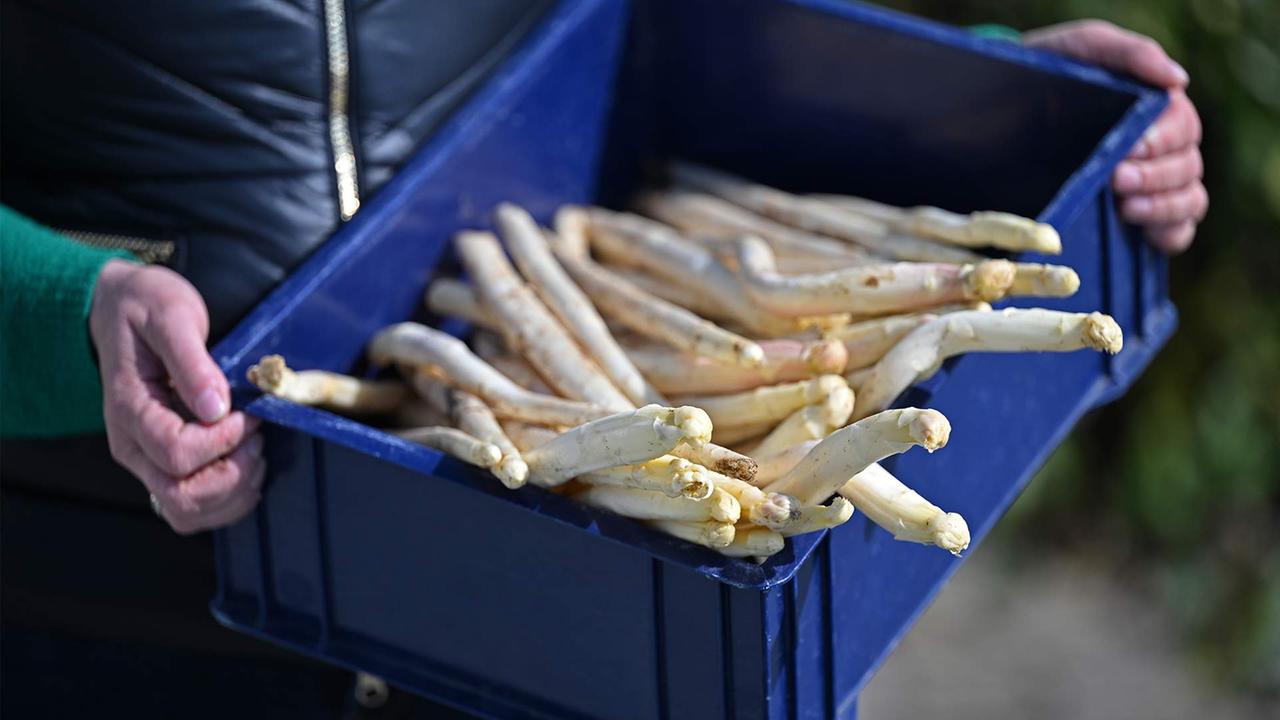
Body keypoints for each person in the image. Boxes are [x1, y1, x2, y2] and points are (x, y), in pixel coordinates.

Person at [0, 7, 1207, 715]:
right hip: (128, 609)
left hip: (615, 621)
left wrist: (981, 95)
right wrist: (67, 309)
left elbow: (698, 43)